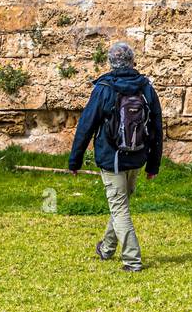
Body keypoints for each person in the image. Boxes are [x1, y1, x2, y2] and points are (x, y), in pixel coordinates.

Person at [67, 42, 164, 272]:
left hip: (112, 159)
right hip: (137, 157)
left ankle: (132, 260)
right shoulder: (146, 88)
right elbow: (157, 128)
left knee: (119, 207)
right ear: (132, 62)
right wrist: (153, 164)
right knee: (121, 204)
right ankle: (107, 248)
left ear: (110, 63)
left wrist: (75, 160)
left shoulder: (104, 88)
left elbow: (86, 126)